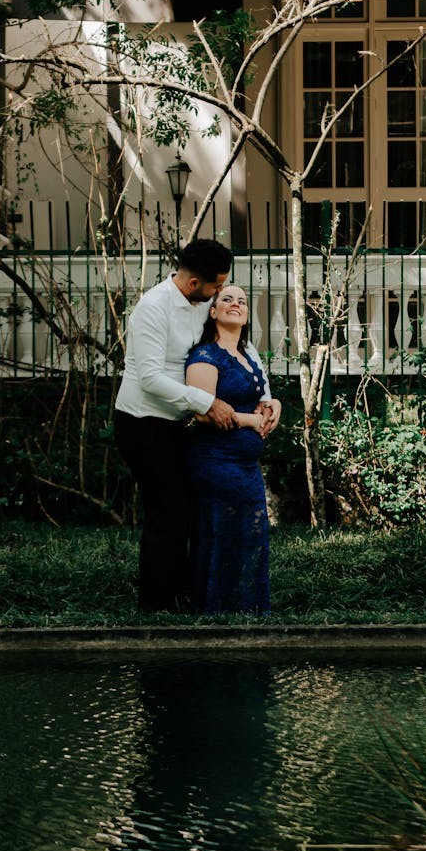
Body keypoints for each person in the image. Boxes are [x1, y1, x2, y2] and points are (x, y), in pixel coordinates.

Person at [114, 240, 280, 612]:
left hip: (175, 424)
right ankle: (156, 605)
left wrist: (268, 396)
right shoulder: (153, 309)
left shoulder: (204, 300)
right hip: (142, 423)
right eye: (217, 287)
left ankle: (184, 592)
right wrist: (208, 403)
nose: (221, 293)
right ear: (194, 284)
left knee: (184, 511)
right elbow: (150, 379)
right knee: (167, 514)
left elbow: (244, 348)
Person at [185, 284, 275, 616]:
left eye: (242, 300)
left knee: (251, 535)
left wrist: (271, 405)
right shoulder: (205, 355)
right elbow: (201, 410)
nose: (235, 304)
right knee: (222, 535)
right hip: (216, 461)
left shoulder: (247, 355)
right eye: (227, 299)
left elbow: (258, 396)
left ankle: (246, 608)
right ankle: (214, 609)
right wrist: (252, 421)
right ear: (213, 312)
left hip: (246, 464)